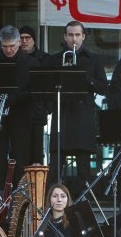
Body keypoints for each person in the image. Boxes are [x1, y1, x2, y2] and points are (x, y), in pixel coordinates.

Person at [44, 21, 108, 194]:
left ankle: (83, 204)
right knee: (56, 166)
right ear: (65, 37)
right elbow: (46, 88)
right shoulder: (55, 59)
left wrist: (84, 76)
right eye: (70, 35)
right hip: (62, 116)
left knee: (84, 169)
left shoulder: (93, 60)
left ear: (83, 37)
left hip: (83, 118)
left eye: (77, 35)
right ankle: (52, 203)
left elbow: (103, 87)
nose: (74, 39)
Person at [0, 25, 43, 185]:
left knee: (21, 159)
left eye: (12, 46)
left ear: (19, 42)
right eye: (5, 46)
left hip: (21, 117)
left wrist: (15, 98)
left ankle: (21, 199)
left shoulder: (32, 63)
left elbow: (36, 91)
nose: (8, 50)